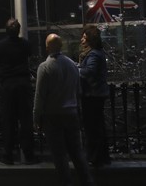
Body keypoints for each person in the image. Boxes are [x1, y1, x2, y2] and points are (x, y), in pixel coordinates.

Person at [34, 34, 95, 186]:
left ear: (48, 47)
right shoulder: (72, 65)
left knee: (59, 156)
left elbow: (40, 96)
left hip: (53, 115)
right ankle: (87, 182)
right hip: (71, 113)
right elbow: (77, 90)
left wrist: (36, 117)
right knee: (77, 152)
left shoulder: (44, 67)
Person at [0, 18, 37, 165]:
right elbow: (29, 57)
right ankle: (28, 154)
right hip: (23, 83)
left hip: (8, 84)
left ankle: (8, 154)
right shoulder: (25, 44)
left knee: (8, 120)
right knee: (26, 120)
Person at [78, 25, 111, 167]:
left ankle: (95, 157)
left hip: (92, 95)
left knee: (92, 126)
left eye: (84, 38)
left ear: (90, 39)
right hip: (95, 94)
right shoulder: (96, 53)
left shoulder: (93, 54)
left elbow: (89, 71)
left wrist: (76, 69)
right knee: (97, 126)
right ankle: (100, 156)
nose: (82, 40)